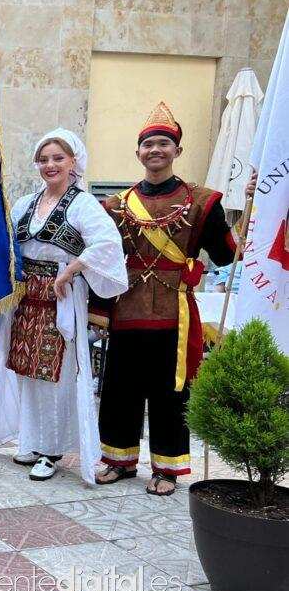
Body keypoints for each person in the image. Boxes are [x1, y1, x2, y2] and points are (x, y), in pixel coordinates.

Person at [97, 102, 239, 496]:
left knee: (170, 393)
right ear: (138, 152)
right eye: (148, 145)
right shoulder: (116, 206)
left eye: (163, 143)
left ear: (177, 150)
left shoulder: (202, 202)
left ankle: (167, 468)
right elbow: (101, 258)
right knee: (120, 390)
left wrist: (247, 212)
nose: (155, 150)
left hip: (174, 315)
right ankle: (118, 460)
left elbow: (227, 254)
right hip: (126, 311)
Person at [0, 129, 127, 482]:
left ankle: (52, 449)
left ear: (73, 162)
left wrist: (73, 269)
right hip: (26, 299)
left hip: (61, 297)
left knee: (57, 375)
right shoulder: (26, 204)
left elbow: (107, 245)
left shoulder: (83, 204)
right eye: (44, 159)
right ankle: (32, 440)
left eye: (58, 158)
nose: (50, 165)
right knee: (27, 370)